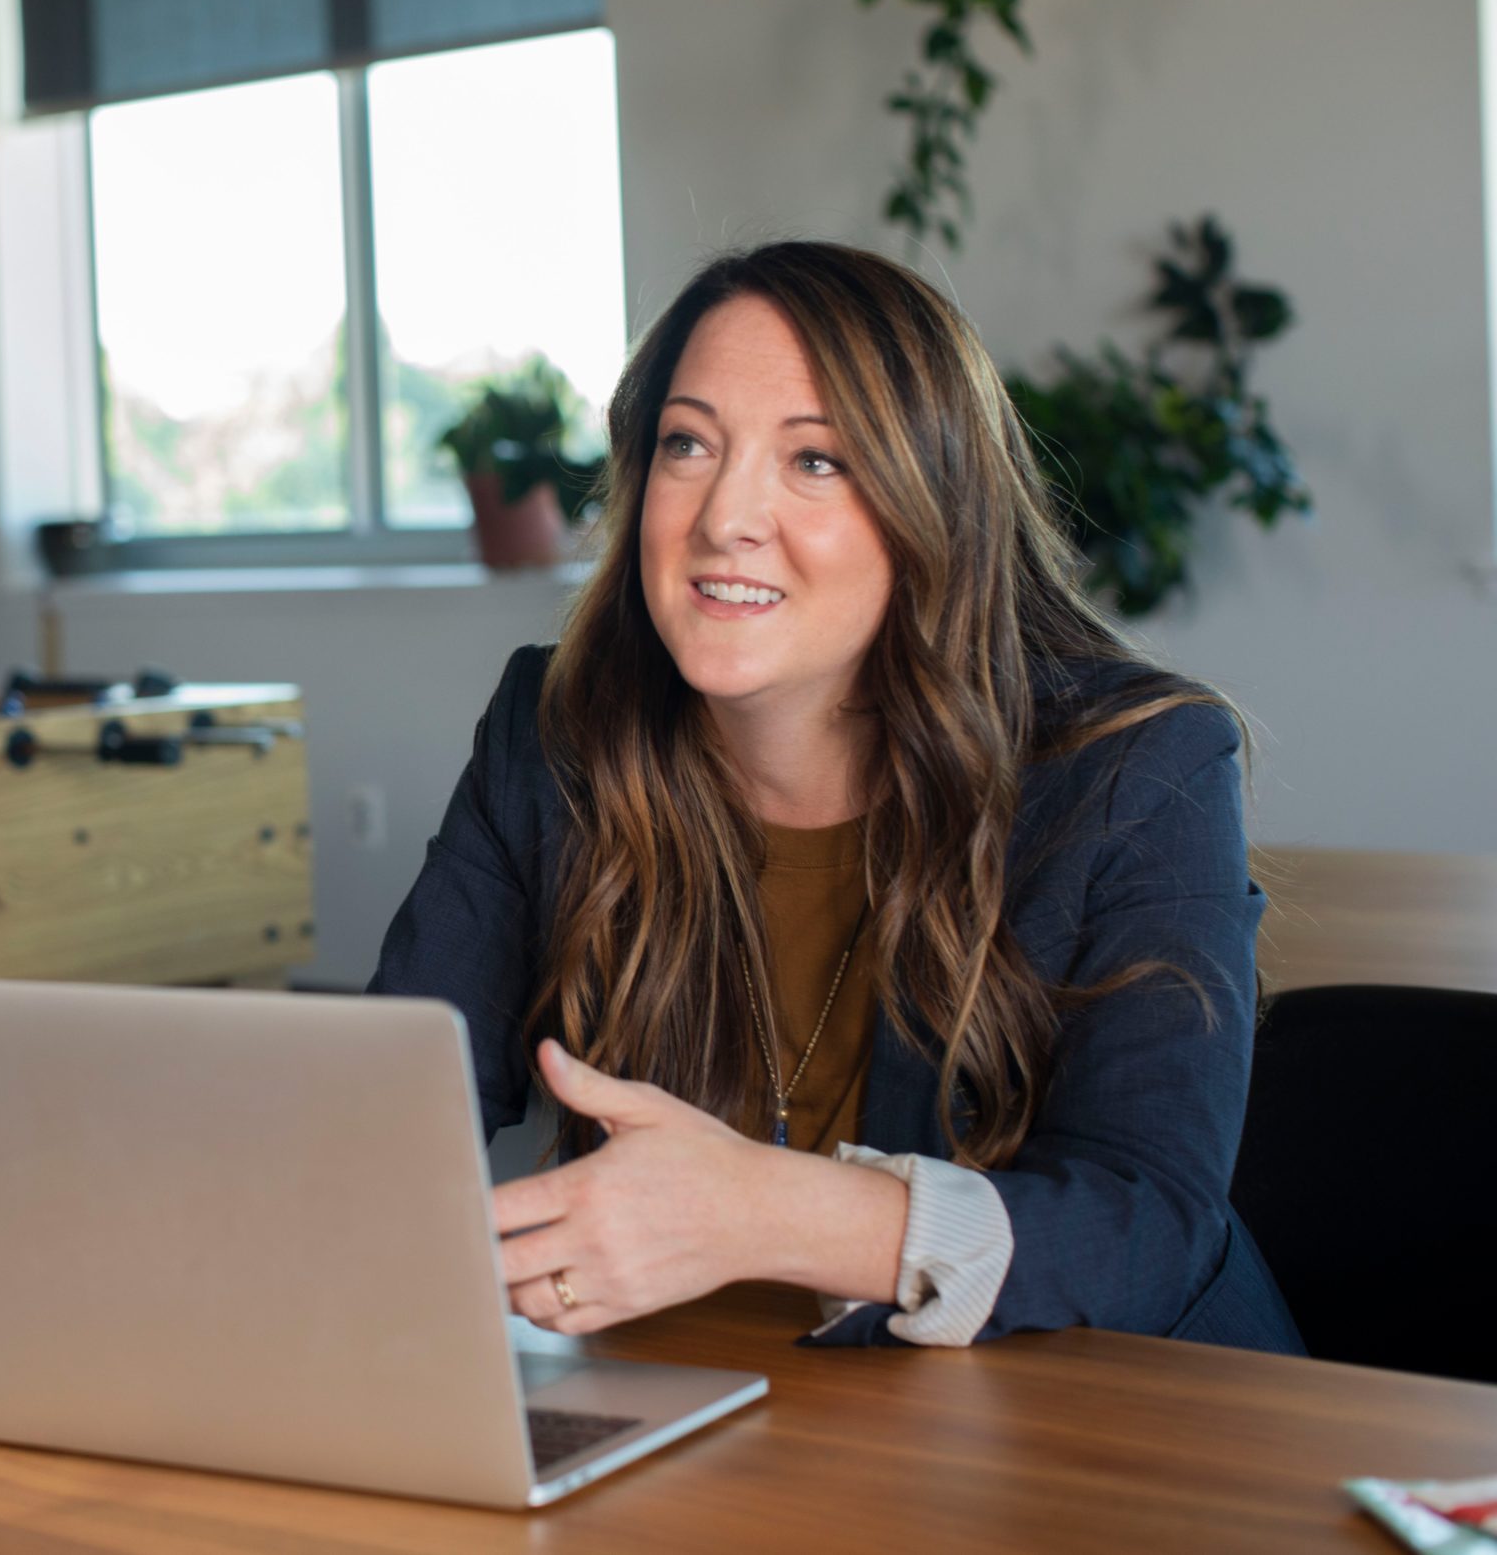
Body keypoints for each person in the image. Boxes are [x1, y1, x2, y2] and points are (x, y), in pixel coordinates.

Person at [366, 241, 1303, 1353]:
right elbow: (391, 1109)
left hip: (1089, 1433)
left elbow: (1148, 1232)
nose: (724, 517)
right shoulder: (554, 727)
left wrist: (763, 1215)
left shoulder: (1134, 767)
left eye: (816, 462)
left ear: (934, 505)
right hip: (701, 1417)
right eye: (687, 444)